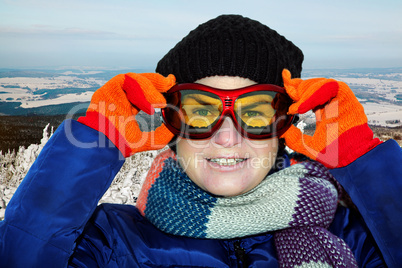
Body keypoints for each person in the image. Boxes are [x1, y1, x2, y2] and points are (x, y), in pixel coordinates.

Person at [1, 14, 401, 267]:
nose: (227, 136)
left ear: (285, 125)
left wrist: (361, 159)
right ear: (173, 123)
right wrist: (98, 135)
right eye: (201, 110)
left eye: (256, 110)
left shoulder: (357, 238)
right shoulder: (109, 243)